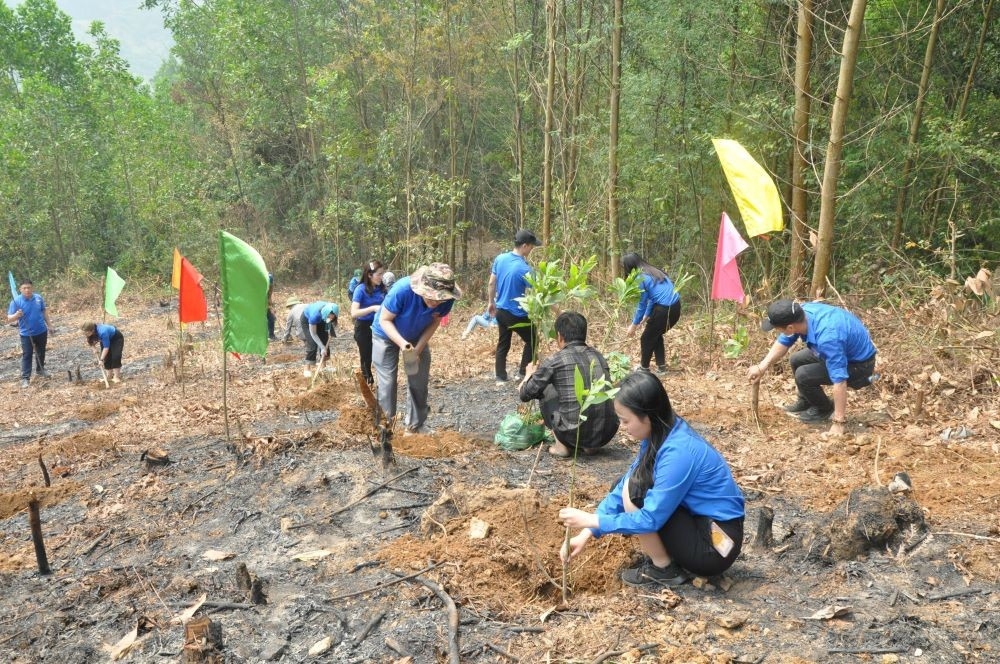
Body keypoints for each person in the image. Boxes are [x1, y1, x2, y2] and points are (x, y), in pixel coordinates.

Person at [559, 370, 745, 587]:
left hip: (715, 546)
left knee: (636, 493)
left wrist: (594, 520)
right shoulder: (661, 433)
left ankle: (664, 568)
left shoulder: (679, 452)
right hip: (702, 524)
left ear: (647, 416)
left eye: (625, 421)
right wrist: (587, 533)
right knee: (629, 484)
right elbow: (624, 484)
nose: (623, 428)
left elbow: (650, 518)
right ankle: (670, 558)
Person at [747, 299, 877, 435]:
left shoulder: (828, 337)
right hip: (841, 350)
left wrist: (839, 422)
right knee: (796, 359)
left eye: (777, 328)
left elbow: (840, 380)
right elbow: (784, 341)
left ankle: (824, 409)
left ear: (790, 327)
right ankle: (806, 401)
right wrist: (762, 367)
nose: (777, 331)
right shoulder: (800, 312)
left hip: (860, 365)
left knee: (803, 375)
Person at [371, 263, 460, 434]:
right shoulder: (402, 290)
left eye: (439, 299)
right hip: (386, 334)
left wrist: (417, 349)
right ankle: (385, 428)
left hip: (417, 334)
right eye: (431, 297)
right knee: (388, 381)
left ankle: (415, 425)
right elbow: (385, 320)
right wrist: (404, 345)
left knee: (419, 378)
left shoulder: (446, 299)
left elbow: (435, 321)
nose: (435, 302)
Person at [518, 311, 619, 458]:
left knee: (546, 388)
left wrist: (528, 374)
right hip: (606, 433)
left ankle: (561, 447)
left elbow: (525, 394)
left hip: (571, 433)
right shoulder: (598, 356)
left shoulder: (555, 360)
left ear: (559, 336)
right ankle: (591, 446)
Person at [488, 229, 542, 385]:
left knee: (503, 342)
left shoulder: (500, 258)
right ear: (524, 246)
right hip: (516, 314)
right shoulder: (525, 269)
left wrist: (491, 302)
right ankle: (523, 373)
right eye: (531, 246)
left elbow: (492, 283)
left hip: (500, 310)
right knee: (533, 339)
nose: (532, 249)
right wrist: (558, 312)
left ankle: (500, 376)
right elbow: (541, 291)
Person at [622, 252, 681, 374]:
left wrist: (633, 325)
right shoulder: (653, 271)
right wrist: (646, 316)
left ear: (629, 267)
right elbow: (652, 298)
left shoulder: (640, 278)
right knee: (655, 335)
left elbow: (642, 304)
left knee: (646, 338)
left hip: (664, 309)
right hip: (675, 307)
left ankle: (644, 369)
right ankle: (661, 368)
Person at [7, 279, 52, 388]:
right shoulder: (16, 302)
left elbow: (44, 311)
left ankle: (40, 370)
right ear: (20, 289)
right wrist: (16, 315)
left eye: (29, 287)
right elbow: (9, 318)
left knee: (41, 352)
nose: (27, 290)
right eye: (24, 288)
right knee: (27, 355)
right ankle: (25, 378)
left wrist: (49, 325)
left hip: (41, 331)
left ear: (32, 288)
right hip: (26, 334)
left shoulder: (38, 298)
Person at [351, 260, 388, 385]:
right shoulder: (360, 290)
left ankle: (383, 383)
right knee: (366, 357)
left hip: (380, 326)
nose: (381, 277)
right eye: (379, 274)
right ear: (369, 275)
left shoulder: (382, 289)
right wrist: (372, 308)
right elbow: (354, 313)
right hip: (363, 327)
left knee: (381, 356)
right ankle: (368, 383)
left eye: (382, 274)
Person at [301, 301, 339, 375]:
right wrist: (322, 347)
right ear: (325, 314)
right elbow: (314, 333)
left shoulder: (331, 310)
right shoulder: (314, 316)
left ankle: (324, 367)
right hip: (307, 320)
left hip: (322, 319)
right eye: (329, 317)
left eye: (332, 317)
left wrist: (329, 331)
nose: (330, 318)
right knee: (312, 343)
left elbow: (328, 321)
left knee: (324, 339)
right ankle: (307, 368)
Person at [266, 273, 277, 341]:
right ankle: (269, 335)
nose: (271, 285)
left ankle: (271, 335)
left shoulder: (270, 288)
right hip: (261, 305)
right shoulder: (262, 287)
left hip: (267, 305)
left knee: (271, 319)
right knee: (270, 318)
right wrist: (269, 307)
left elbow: (269, 297)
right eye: (270, 284)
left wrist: (272, 306)